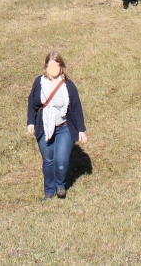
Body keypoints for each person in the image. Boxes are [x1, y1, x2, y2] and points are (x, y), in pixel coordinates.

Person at [26, 52, 88, 201]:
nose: (53, 68)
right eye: (50, 64)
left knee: (61, 160)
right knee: (48, 161)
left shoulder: (68, 85)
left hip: (64, 127)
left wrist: (81, 130)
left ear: (61, 67)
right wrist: (31, 122)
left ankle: (60, 185)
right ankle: (49, 191)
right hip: (44, 127)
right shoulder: (39, 83)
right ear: (46, 66)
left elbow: (76, 108)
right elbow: (32, 104)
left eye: (56, 64)